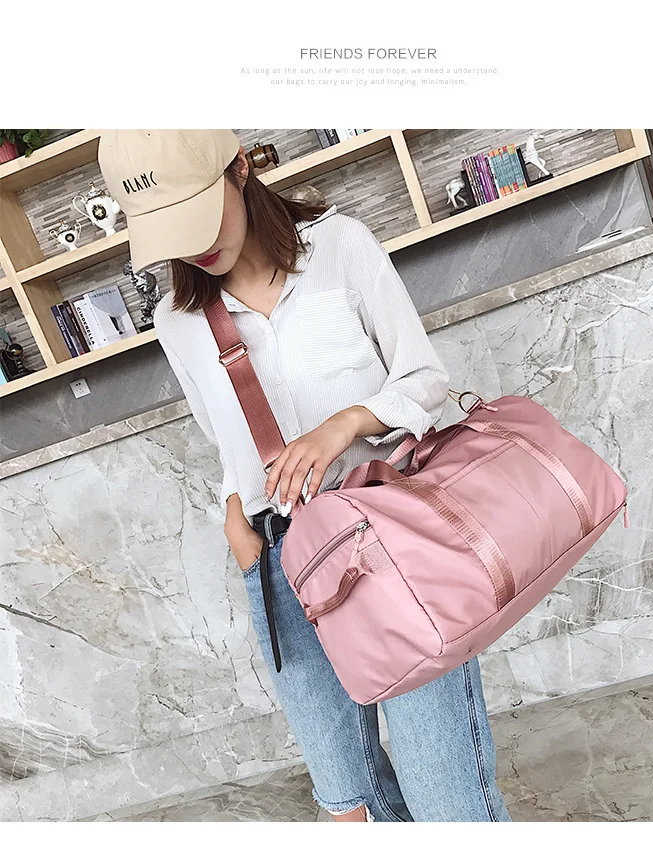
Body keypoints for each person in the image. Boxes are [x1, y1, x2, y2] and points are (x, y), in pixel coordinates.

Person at [97, 129, 512, 823]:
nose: (194, 246)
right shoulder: (178, 321)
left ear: (239, 168)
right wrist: (239, 530)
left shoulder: (340, 247)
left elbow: (423, 379)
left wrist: (343, 424)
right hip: (275, 558)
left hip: (385, 542)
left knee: (447, 797)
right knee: (350, 803)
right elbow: (224, 440)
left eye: (198, 214)